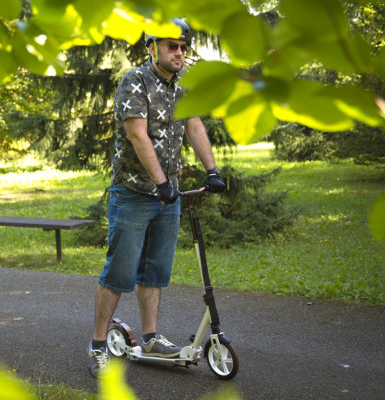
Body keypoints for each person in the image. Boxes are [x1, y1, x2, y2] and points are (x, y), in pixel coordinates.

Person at [88, 18, 225, 377]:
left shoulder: (185, 86)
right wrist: (162, 182)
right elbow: (137, 135)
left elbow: (194, 125)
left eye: (184, 47)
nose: (179, 52)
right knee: (119, 273)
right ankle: (98, 345)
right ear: (152, 48)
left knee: (155, 272)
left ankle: (149, 338)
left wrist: (212, 170)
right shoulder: (135, 81)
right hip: (134, 194)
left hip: (168, 197)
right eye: (171, 46)